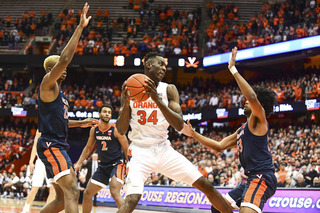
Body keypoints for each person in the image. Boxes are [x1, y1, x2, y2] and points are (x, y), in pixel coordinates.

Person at [116, 52, 232, 213]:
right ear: (149, 65)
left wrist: (156, 99)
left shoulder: (169, 89)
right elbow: (120, 130)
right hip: (140, 152)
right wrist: (127, 103)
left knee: (206, 185)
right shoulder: (130, 88)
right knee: (131, 199)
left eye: (165, 65)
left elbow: (178, 124)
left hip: (164, 149)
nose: (164, 68)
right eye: (160, 64)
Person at [182, 47, 277, 213]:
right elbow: (219, 146)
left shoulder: (259, 121)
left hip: (262, 178)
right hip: (250, 179)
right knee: (218, 208)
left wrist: (232, 69)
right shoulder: (242, 129)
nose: (245, 101)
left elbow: (253, 97)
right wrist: (193, 134)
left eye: (249, 100)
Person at [36, 3, 98, 213]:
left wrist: (80, 122)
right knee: (73, 190)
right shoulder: (47, 84)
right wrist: (80, 28)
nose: (65, 70)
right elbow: (64, 59)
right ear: (52, 70)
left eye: (64, 69)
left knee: (63, 199)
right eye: (59, 68)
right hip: (50, 144)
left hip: (59, 144)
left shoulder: (61, 95)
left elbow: (60, 120)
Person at [74, 104, 129, 212]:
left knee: (114, 191)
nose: (107, 114)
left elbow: (127, 150)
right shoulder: (94, 130)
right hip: (103, 166)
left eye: (109, 112)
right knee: (87, 193)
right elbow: (88, 148)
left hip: (117, 164)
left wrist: (130, 166)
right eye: (105, 112)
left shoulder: (116, 129)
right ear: (99, 114)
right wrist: (79, 162)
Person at [22, 130, 55, 213]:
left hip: (52, 162)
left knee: (53, 189)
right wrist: (31, 161)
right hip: (40, 161)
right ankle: (26, 208)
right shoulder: (41, 128)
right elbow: (35, 145)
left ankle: (47, 211)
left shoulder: (57, 126)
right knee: (34, 188)